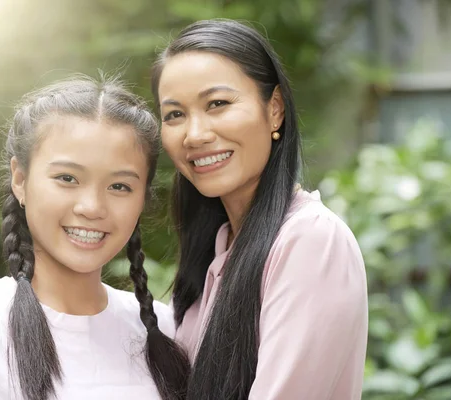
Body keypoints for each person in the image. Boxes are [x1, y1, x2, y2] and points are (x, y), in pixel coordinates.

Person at [0, 76, 189, 400]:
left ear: (143, 198)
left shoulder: (166, 329)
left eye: (119, 186)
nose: (92, 208)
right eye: (67, 178)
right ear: (20, 179)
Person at [151, 19, 368, 400]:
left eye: (217, 104)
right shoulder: (218, 250)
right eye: (174, 114)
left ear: (275, 110)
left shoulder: (310, 241)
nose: (195, 134)